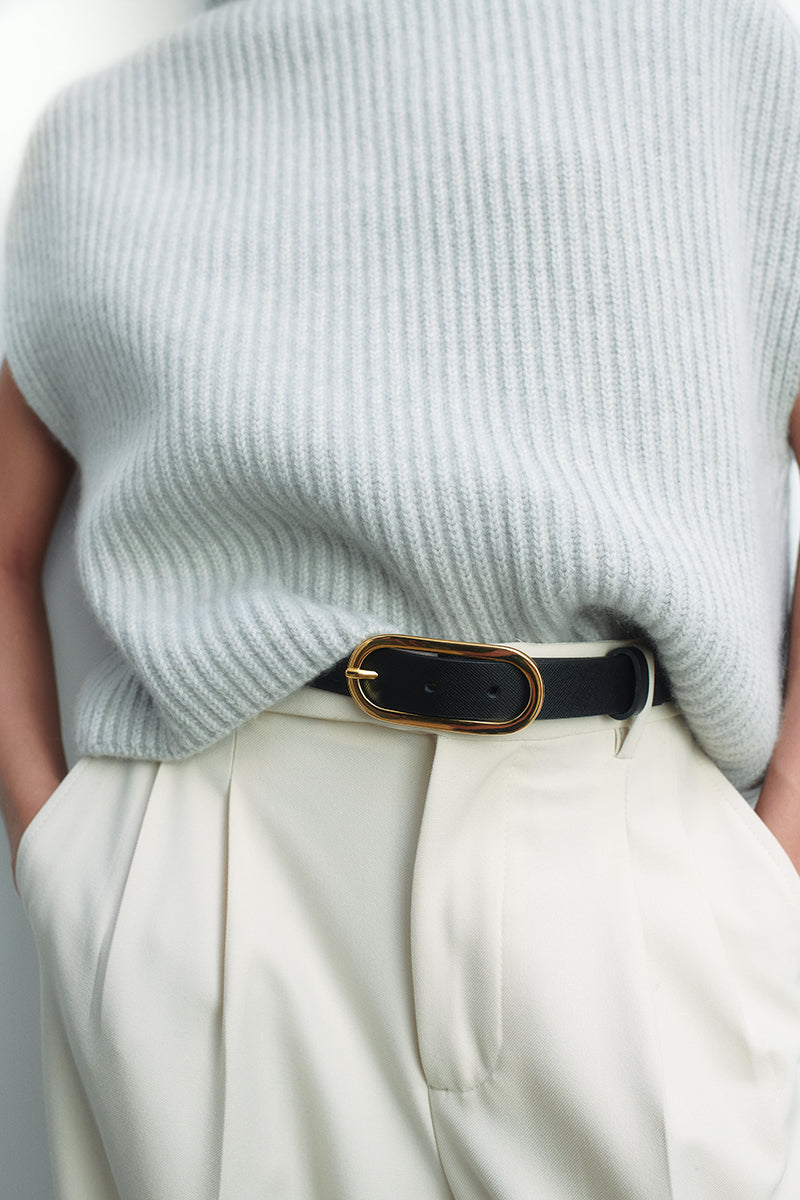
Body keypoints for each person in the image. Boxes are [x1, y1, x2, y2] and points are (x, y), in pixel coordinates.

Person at [2, 0, 800, 1196]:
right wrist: (54, 852)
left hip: (642, 870)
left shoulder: (725, 51)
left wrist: (775, 852)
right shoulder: (98, 134)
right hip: (220, 894)